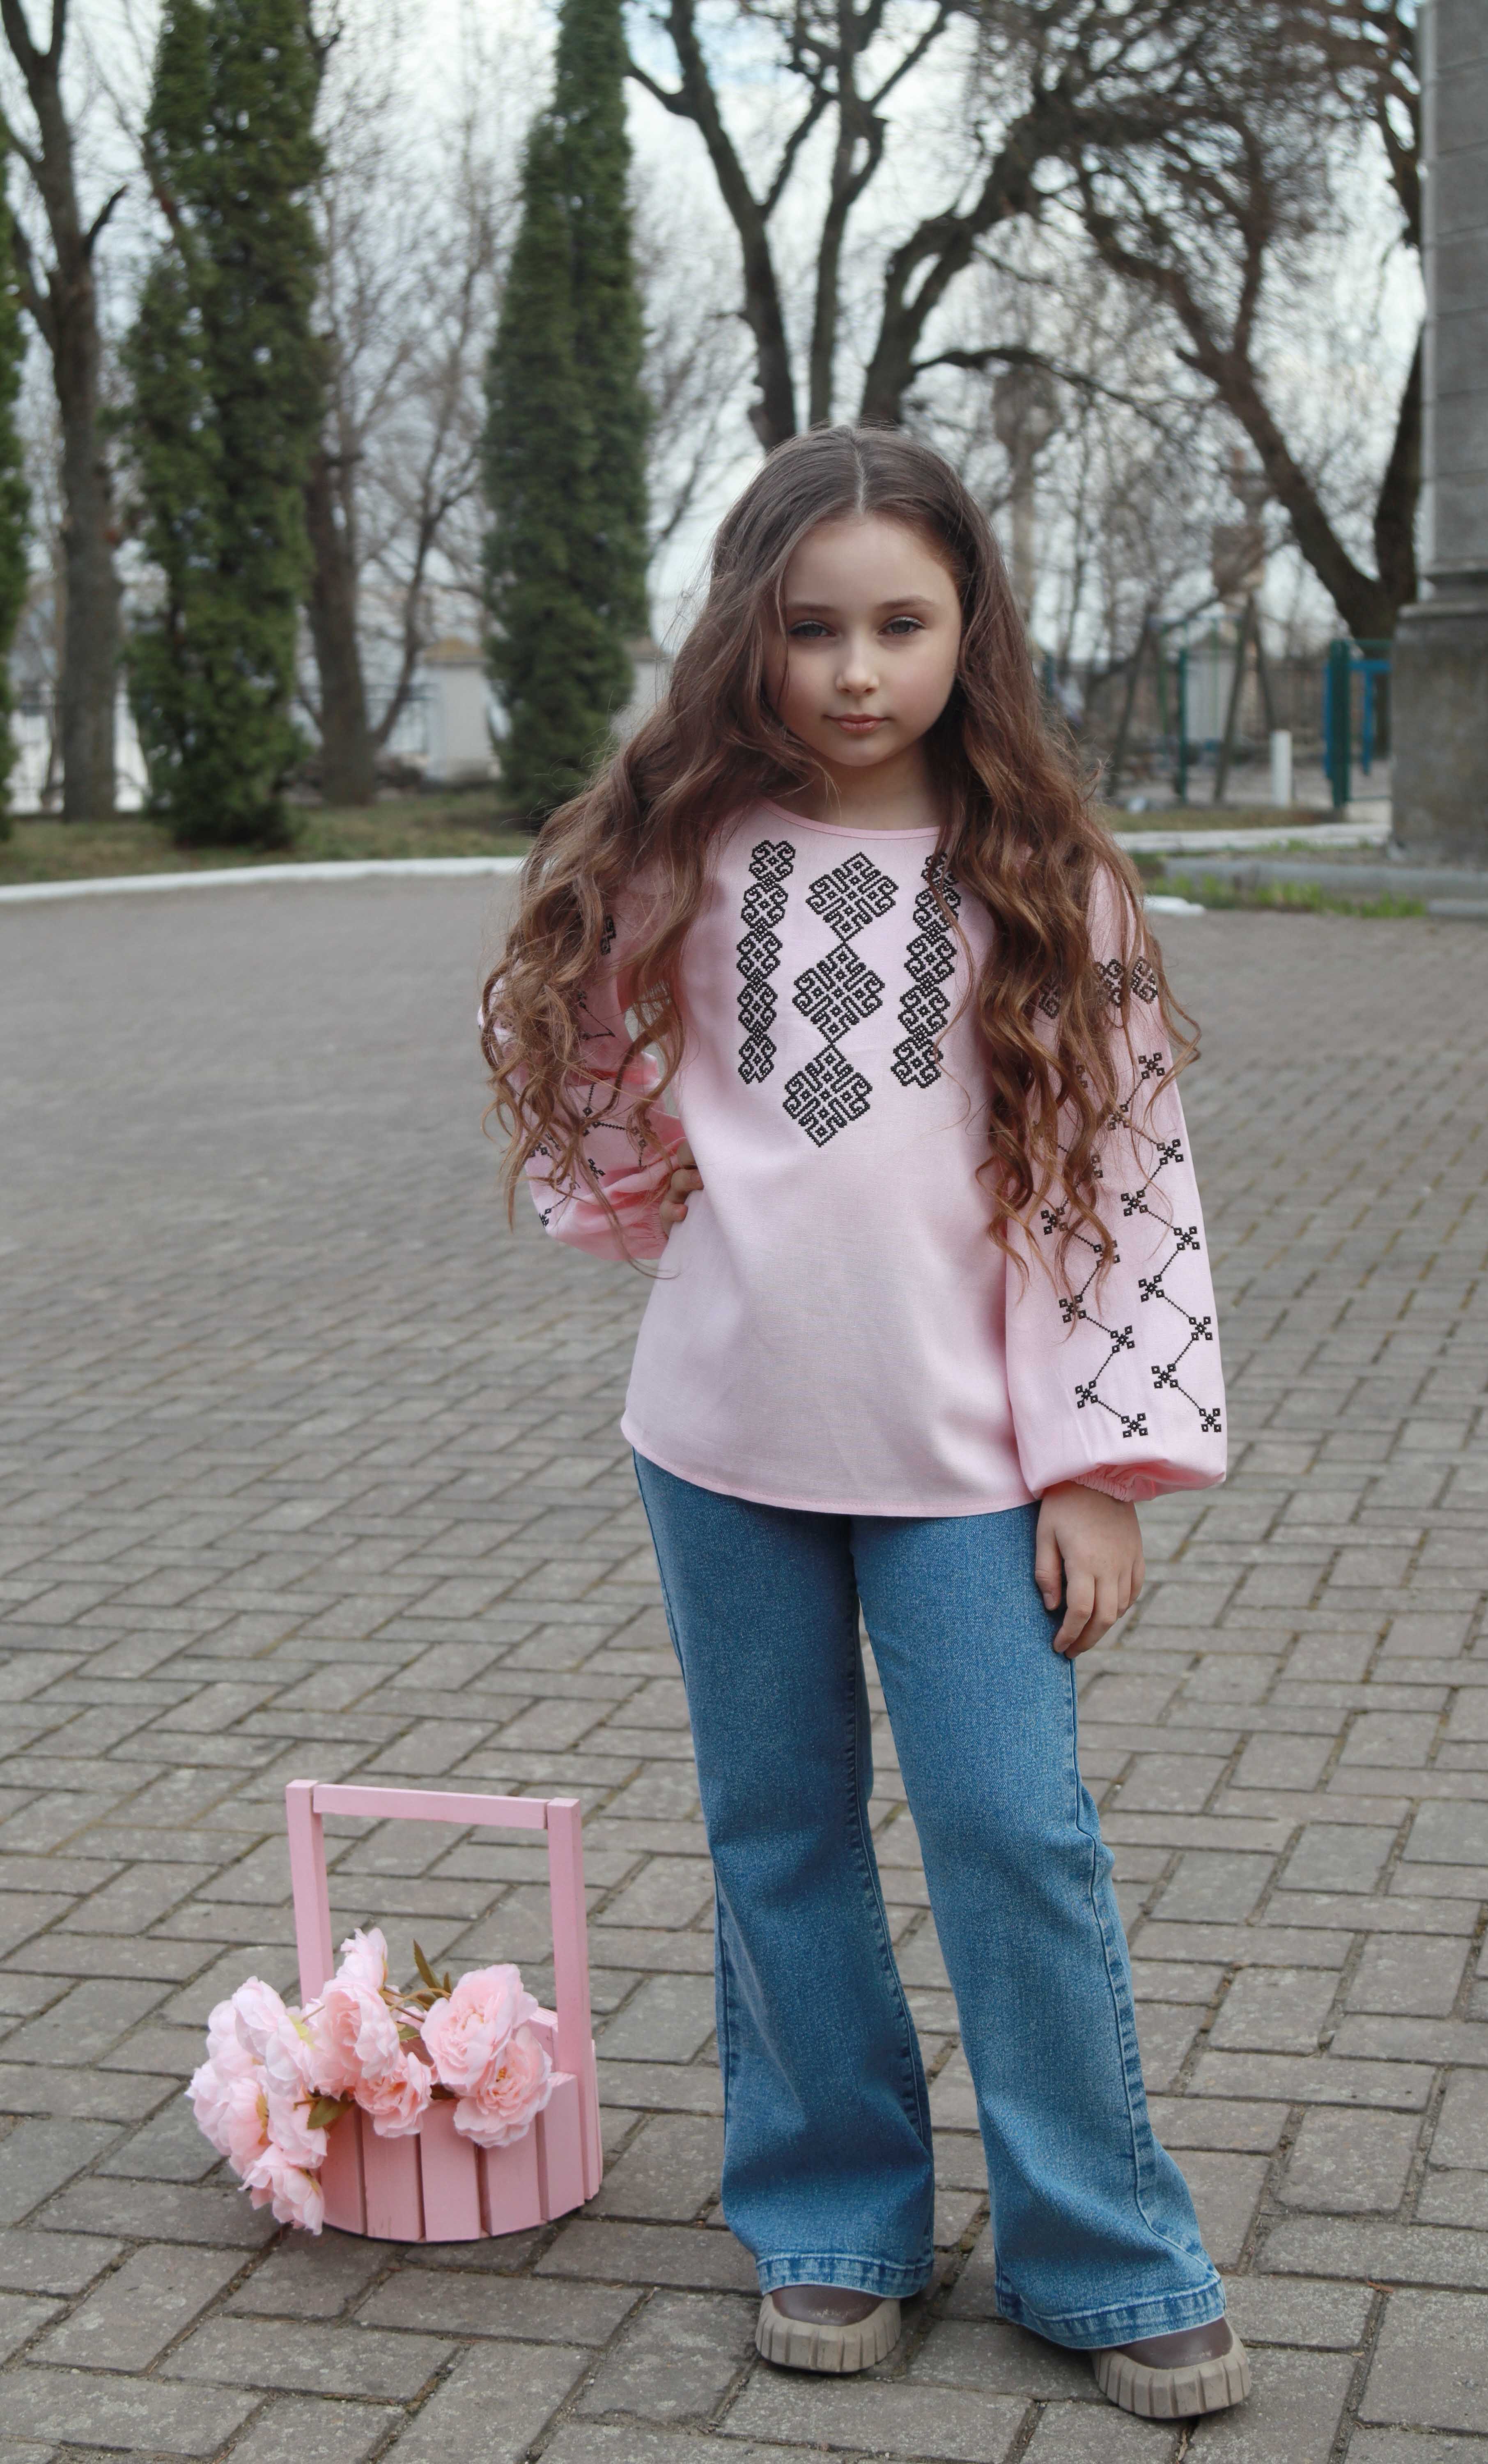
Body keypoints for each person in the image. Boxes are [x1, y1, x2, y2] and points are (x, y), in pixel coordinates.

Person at [481, 425, 1246, 2421]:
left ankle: (1103, 2247)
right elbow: (591, 1071)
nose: (852, 671)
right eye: (810, 628)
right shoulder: (682, 859)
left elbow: (1121, 1183)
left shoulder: (1045, 884)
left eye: (900, 625)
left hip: (969, 1464)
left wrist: (1098, 1470)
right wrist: (651, 1182)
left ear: (968, 627)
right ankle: (832, 2215)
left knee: (1013, 1831)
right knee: (778, 1830)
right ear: (749, 630)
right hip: (721, 1440)